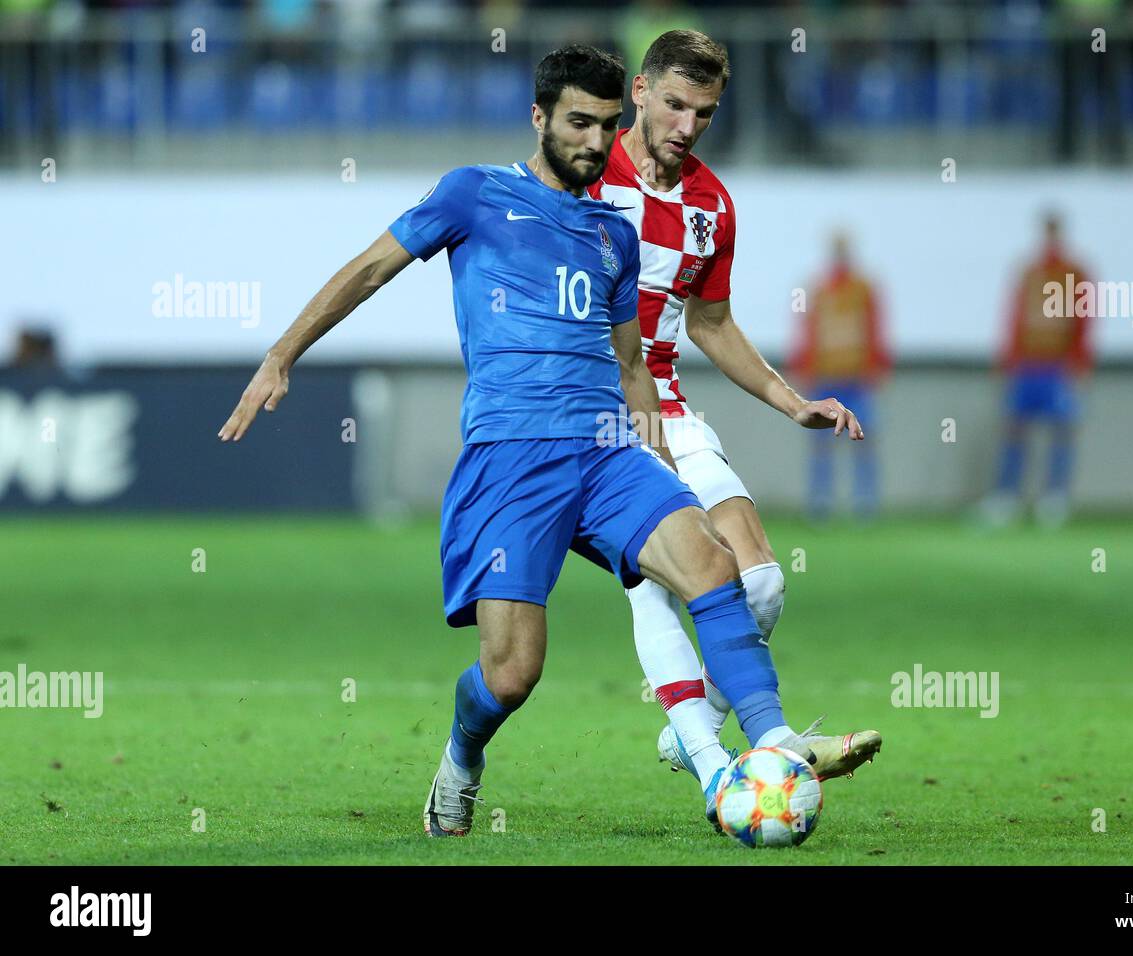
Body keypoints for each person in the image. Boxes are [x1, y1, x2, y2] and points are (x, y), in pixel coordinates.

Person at [218, 44, 874, 836]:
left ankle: (769, 746)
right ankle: (461, 759)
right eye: (577, 124)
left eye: (604, 127)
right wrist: (281, 355)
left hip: (606, 451)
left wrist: (658, 463)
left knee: (711, 560)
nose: (595, 143)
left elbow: (632, 360)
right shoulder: (474, 194)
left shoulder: (612, 233)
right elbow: (368, 270)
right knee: (512, 674)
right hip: (510, 460)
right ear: (539, 118)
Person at [590, 30, 882, 809]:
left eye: (705, 113)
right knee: (659, 581)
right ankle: (738, 753)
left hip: (670, 408)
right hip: (589, 419)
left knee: (761, 581)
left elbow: (711, 323)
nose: (687, 125)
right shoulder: (587, 178)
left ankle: (690, 735)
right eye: (676, 104)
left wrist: (796, 403)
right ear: (641, 92)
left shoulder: (711, 204)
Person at [980, 211, 1092, 528]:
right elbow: (1014, 317)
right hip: (1027, 364)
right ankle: (1006, 496)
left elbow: (1084, 321)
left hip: (1058, 366)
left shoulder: (1075, 272)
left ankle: (1054, 499)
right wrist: (1009, 360)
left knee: (1062, 430)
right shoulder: (1029, 272)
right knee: (1014, 429)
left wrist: (1080, 362)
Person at [790, 229, 891, 519]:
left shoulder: (864, 290)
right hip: (826, 379)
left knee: (864, 439)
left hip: (858, 380)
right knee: (821, 443)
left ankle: (865, 502)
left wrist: (878, 366)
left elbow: (876, 328)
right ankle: (821, 501)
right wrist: (805, 368)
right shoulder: (819, 290)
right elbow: (808, 331)